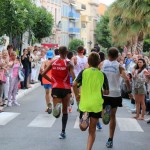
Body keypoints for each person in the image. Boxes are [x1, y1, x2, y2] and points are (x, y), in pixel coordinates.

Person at [73, 52, 109, 150]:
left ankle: (84, 119)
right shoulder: (102, 74)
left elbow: (74, 84)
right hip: (97, 104)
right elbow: (106, 92)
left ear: (88, 62)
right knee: (92, 131)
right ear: (99, 62)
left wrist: (77, 95)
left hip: (85, 104)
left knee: (82, 128)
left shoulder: (84, 72)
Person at [42, 46, 75, 139]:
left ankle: (57, 106)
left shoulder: (53, 62)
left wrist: (52, 81)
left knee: (56, 115)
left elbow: (43, 73)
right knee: (65, 112)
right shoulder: (69, 63)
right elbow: (74, 76)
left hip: (56, 87)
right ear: (67, 52)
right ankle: (63, 132)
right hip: (66, 88)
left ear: (58, 52)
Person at [101, 47, 132, 148]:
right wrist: (129, 91)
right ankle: (110, 139)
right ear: (117, 56)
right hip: (115, 94)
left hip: (104, 93)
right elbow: (127, 80)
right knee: (113, 117)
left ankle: (105, 112)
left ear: (108, 54)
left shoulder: (102, 64)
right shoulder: (120, 66)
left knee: (103, 111)